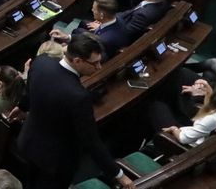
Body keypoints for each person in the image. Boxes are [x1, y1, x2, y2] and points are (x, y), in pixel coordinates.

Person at [16, 32, 130, 188]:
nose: (99, 67)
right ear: (77, 61)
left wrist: (21, 106)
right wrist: (118, 174)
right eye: (95, 63)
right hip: (55, 162)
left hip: (28, 143)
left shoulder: (41, 62)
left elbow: (29, 91)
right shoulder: (79, 97)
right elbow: (91, 141)